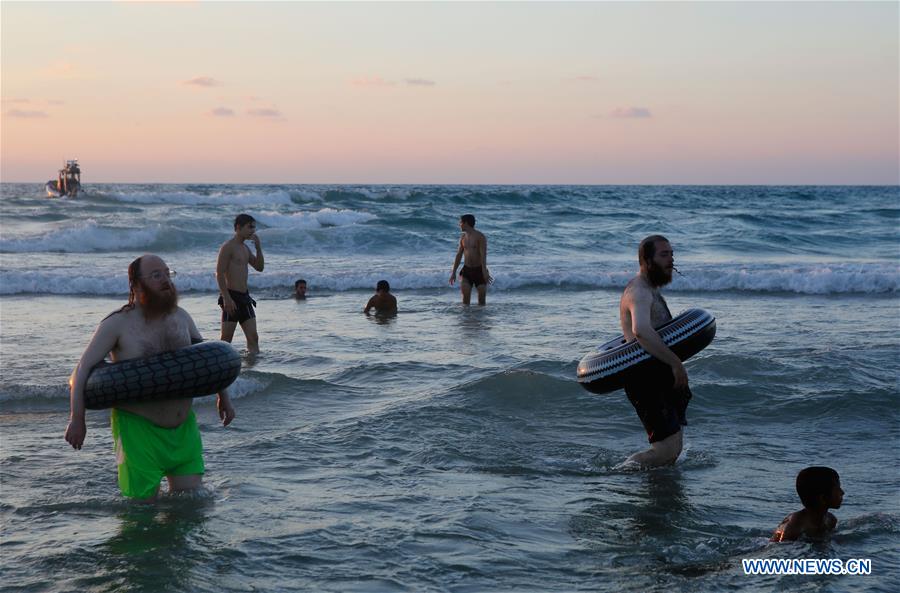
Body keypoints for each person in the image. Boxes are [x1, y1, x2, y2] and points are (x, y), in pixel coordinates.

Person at [64, 254, 235, 501]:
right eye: (156, 275)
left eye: (168, 273)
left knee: (189, 509)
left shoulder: (181, 317)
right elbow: (82, 370)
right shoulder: (117, 324)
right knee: (141, 517)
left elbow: (207, 361)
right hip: (139, 432)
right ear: (135, 284)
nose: (165, 280)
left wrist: (224, 398)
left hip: (183, 428)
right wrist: (77, 419)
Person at [618, 235, 691, 468]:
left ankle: (658, 493)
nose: (671, 259)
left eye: (671, 254)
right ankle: (619, 473)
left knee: (673, 448)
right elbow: (640, 331)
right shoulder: (638, 292)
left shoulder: (651, 289)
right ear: (646, 260)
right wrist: (675, 363)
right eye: (664, 255)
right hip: (645, 378)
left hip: (658, 374)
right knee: (664, 451)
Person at [216, 214, 264, 353]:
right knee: (226, 340)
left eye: (254, 227)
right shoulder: (228, 247)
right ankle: (221, 368)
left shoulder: (245, 248)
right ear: (238, 227)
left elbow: (259, 267)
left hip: (245, 298)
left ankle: (252, 369)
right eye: (250, 227)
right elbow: (219, 273)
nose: (253, 230)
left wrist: (259, 248)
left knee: (253, 338)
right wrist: (226, 298)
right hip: (231, 297)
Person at [772, 467, 843, 542]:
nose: (842, 492)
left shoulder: (831, 520)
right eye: (837, 489)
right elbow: (777, 547)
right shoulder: (795, 526)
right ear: (822, 498)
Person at [449, 214, 492, 305]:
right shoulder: (463, 238)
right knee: (465, 300)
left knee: (481, 301)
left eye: (460, 222)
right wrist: (453, 272)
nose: (459, 225)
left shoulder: (480, 237)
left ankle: (480, 319)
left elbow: (483, 255)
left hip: (479, 270)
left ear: (466, 223)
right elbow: (459, 255)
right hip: (467, 271)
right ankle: (466, 318)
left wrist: (484, 271)